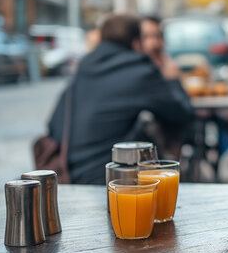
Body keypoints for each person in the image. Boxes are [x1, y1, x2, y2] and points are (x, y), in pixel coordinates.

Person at [47, 14, 193, 184]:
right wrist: (173, 79)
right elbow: (183, 113)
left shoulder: (84, 67)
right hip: (111, 181)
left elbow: (53, 126)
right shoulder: (140, 70)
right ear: (136, 42)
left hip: (67, 176)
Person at [140, 16, 180, 80]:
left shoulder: (167, 65)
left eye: (158, 36)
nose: (154, 43)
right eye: (146, 36)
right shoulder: (136, 71)